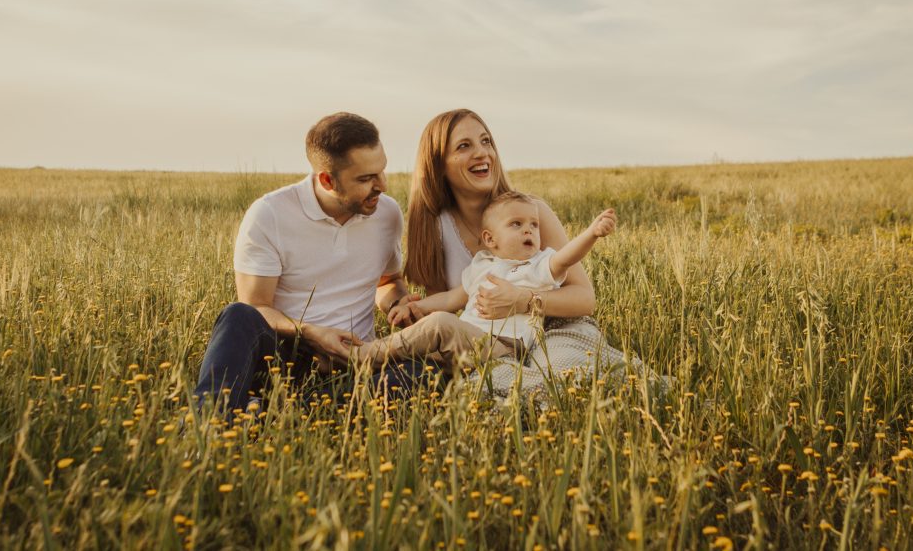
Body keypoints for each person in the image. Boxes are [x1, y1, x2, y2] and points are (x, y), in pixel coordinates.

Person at [403, 109, 666, 398]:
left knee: (566, 376)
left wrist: (523, 301)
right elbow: (447, 307)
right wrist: (415, 310)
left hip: (551, 326)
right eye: (465, 146)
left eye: (486, 141)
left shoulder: (531, 213)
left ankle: (646, 393)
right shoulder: (434, 227)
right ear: (438, 164)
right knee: (483, 388)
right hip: (489, 342)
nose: (483, 153)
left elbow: (583, 298)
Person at [192, 112, 424, 416]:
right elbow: (258, 308)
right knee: (238, 316)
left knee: (427, 371)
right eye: (366, 179)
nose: (381, 185)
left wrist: (398, 303)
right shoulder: (269, 214)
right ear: (327, 180)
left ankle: (274, 414)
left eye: (382, 171)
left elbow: (387, 281)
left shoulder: (387, 213)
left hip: (356, 358)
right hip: (286, 354)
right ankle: (210, 424)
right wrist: (312, 333)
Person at [344, 191, 617, 373]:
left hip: (506, 346)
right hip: (472, 340)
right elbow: (453, 299)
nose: (528, 230)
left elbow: (566, 258)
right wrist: (416, 307)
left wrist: (591, 234)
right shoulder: (482, 265)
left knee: (440, 324)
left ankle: (367, 354)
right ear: (489, 239)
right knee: (426, 343)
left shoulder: (536, 265)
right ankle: (380, 363)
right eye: (516, 224)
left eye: (534, 225)